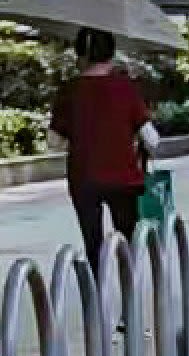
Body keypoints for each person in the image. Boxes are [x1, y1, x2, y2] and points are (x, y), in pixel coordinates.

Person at [49, 28, 155, 271]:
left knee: (92, 243)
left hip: (84, 179)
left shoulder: (69, 90)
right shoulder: (126, 87)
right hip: (125, 179)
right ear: (111, 53)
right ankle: (131, 296)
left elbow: (54, 142)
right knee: (129, 243)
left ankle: (97, 298)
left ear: (80, 54)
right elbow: (153, 139)